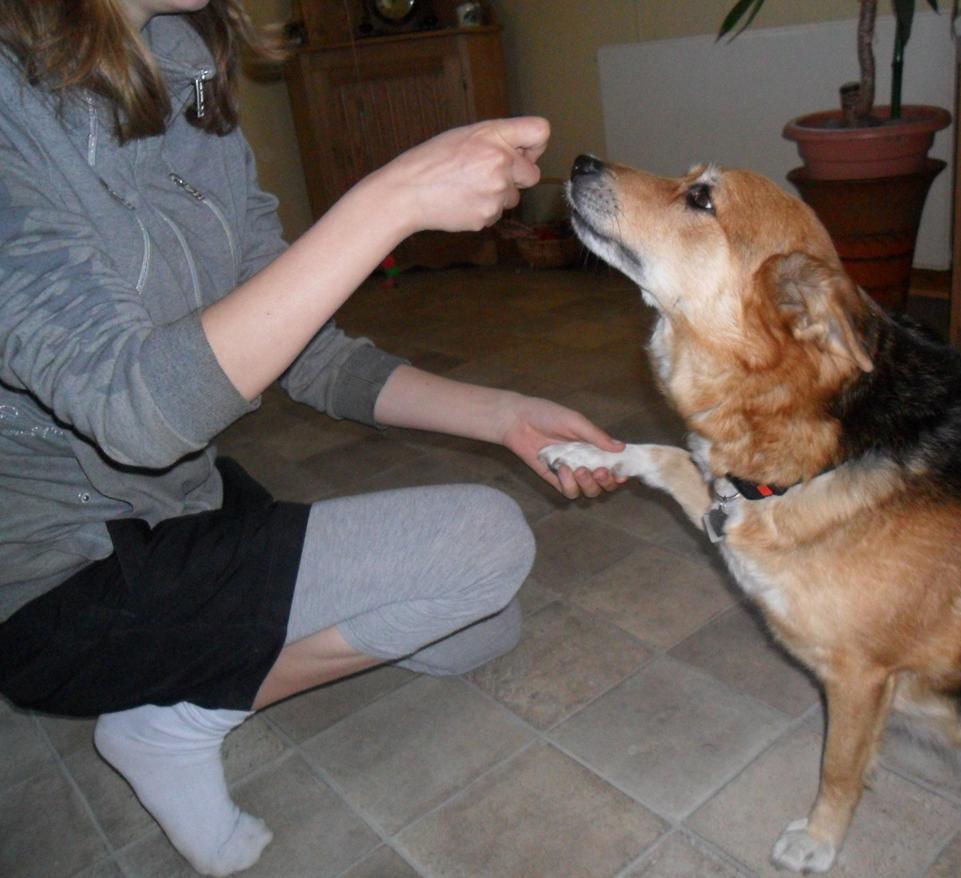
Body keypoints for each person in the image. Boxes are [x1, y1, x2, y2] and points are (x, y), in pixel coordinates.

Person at [0, 1, 623, 875]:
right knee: (485, 541)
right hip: (55, 581)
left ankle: (190, 679)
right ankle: (171, 722)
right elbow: (133, 411)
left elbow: (311, 353)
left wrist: (503, 415)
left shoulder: (189, 77)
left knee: (483, 623)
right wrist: (393, 200)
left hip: (185, 510)